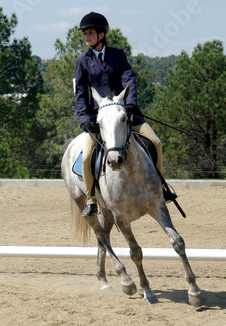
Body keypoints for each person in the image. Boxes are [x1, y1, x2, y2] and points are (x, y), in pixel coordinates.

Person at [74, 12, 174, 216]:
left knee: (155, 142)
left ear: (101, 35)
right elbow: (80, 93)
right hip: (99, 121)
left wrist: (130, 104)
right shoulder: (82, 62)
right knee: (86, 158)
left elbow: (129, 78)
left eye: (90, 32)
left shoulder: (117, 55)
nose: (86, 36)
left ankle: (160, 188)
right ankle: (91, 197)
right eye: (85, 33)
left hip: (125, 115)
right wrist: (84, 119)